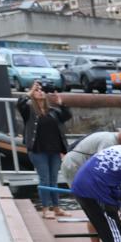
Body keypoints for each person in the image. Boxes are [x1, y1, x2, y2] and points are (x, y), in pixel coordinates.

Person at [17, 83, 71, 219]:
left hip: (54, 150)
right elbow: (20, 103)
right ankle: (46, 209)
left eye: (41, 90)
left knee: (54, 180)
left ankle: (57, 207)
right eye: (37, 91)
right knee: (45, 179)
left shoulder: (53, 111)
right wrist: (30, 91)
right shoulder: (29, 110)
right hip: (38, 150)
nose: (40, 92)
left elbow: (66, 116)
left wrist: (61, 103)